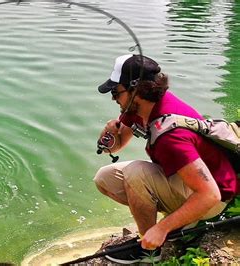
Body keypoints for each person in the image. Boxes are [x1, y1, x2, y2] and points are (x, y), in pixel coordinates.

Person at [93, 54, 239, 264]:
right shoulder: (141, 107)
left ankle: (150, 250)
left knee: (136, 173)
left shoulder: (171, 136)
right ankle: (176, 221)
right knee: (105, 177)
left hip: (214, 198)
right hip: (189, 183)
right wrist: (108, 135)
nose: (113, 98)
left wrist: (162, 229)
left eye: (116, 92)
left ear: (136, 90)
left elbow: (210, 195)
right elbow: (116, 145)